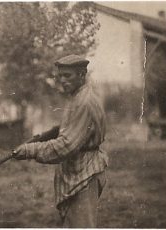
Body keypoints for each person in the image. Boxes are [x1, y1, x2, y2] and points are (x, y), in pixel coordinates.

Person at [13, 54, 108, 227]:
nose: (62, 80)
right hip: (79, 171)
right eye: (60, 76)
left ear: (82, 74)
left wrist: (30, 150)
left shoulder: (83, 102)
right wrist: (50, 134)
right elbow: (72, 129)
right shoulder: (77, 97)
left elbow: (67, 145)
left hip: (84, 173)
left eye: (67, 75)